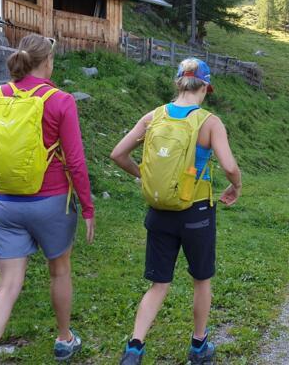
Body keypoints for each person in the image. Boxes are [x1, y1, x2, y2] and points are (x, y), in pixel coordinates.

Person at [110, 58, 242, 365]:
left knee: (158, 284)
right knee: (201, 280)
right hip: (196, 212)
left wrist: (143, 174)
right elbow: (229, 166)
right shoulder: (209, 122)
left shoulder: (153, 116)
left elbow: (118, 153)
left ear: (177, 83)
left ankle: (134, 347)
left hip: (159, 211)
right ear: (206, 87)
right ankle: (198, 347)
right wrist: (236, 186)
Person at [0, 34, 95, 364]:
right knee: (59, 270)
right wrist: (87, 207)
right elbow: (75, 160)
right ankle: (64, 339)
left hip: (4, 203)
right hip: (51, 203)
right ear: (47, 62)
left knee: (7, 286)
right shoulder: (60, 100)